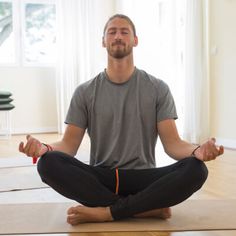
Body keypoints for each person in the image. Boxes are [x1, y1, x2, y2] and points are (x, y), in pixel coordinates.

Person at [19, 14, 224, 225]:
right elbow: (68, 145)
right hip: (101, 179)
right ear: (103, 41)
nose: (118, 36)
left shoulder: (157, 89)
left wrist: (196, 151)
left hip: (145, 179)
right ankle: (143, 208)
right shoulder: (85, 92)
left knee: (196, 169)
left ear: (135, 40)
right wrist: (44, 148)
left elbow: (172, 144)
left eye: (124, 32)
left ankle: (107, 212)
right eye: (112, 32)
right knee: (47, 164)